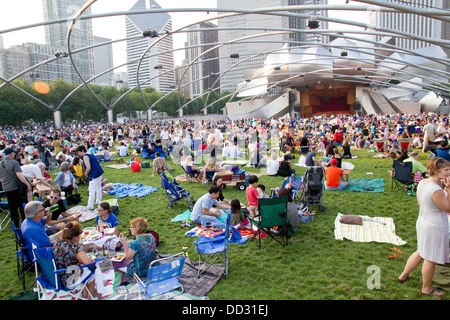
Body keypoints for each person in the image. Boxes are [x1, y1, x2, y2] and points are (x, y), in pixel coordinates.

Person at [397, 157, 450, 296]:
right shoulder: (435, 189)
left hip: (423, 221)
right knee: (430, 258)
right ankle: (427, 289)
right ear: (436, 171)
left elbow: (420, 203)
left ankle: (403, 275)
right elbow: (448, 208)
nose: (449, 172)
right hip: (434, 224)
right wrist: (449, 190)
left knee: (421, 251)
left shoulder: (422, 182)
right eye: (446, 170)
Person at [52, 221, 98, 299]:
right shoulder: (73, 247)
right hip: (68, 280)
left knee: (82, 267)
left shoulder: (58, 242)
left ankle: (85, 291)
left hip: (57, 276)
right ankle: (91, 295)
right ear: (74, 237)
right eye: (79, 235)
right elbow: (88, 262)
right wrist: (92, 260)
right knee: (93, 267)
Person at [0, 147, 31, 227]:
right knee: (21, 206)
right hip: (16, 187)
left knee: (12, 208)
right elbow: (19, 175)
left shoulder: (0, 164)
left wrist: (5, 181)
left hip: (6, 188)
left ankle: (16, 225)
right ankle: (25, 223)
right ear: (11, 154)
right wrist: (28, 184)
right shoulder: (14, 163)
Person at [76, 145, 104, 210]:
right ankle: (98, 200)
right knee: (98, 187)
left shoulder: (85, 156)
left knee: (91, 189)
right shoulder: (90, 153)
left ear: (82, 151)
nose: (79, 154)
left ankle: (90, 205)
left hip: (93, 173)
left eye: (79, 152)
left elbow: (88, 167)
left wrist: (86, 174)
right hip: (99, 171)